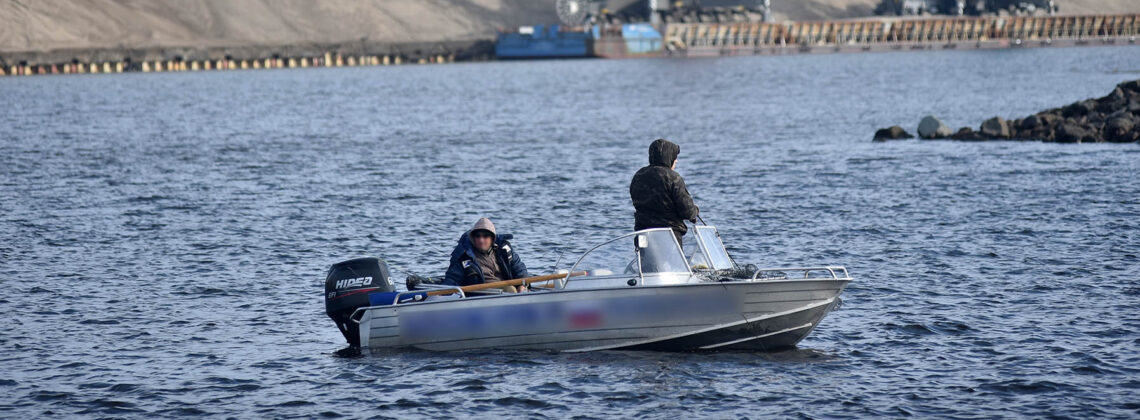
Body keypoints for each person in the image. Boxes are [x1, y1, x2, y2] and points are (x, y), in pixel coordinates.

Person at [629, 139, 700, 243]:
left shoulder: (638, 175)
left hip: (643, 233)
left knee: (647, 259)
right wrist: (695, 211)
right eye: (675, 157)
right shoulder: (673, 177)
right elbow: (687, 211)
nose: (676, 161)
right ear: (668, 157)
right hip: (669, 236)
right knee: (671, 259)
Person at [443, 218, 530, 292]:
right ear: (473, 238)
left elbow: (519, 269)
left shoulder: (504, 250)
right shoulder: (464, 256)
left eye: (485, 236)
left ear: (492, 238)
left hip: (506, 292)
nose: (481, 240)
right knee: (510, 289)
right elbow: (452, 279)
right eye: (478, 236)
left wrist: (522, 285)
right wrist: (442, 294)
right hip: (482, 294)